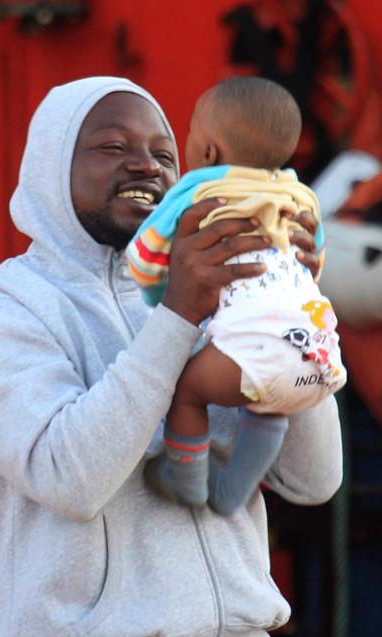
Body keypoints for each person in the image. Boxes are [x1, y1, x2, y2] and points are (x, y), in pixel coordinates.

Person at [0, 76, 342, 637]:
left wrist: (291, 307)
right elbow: (70, 478)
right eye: (112, 147)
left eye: (163, 153)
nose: (146, 166)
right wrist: (176, 316)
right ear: (52, 167)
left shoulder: (216, 290)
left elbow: (313, 479)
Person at [127, 77, 347, 513]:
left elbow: (145, 255)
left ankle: (186, 480)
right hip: (318, 348)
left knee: (188, 391)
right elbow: (313, 256)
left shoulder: (198, 191)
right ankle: (232, 494)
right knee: (269, 408)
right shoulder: (299, 194)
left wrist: (156, 297)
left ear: (207, 152)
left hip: (253, 346)